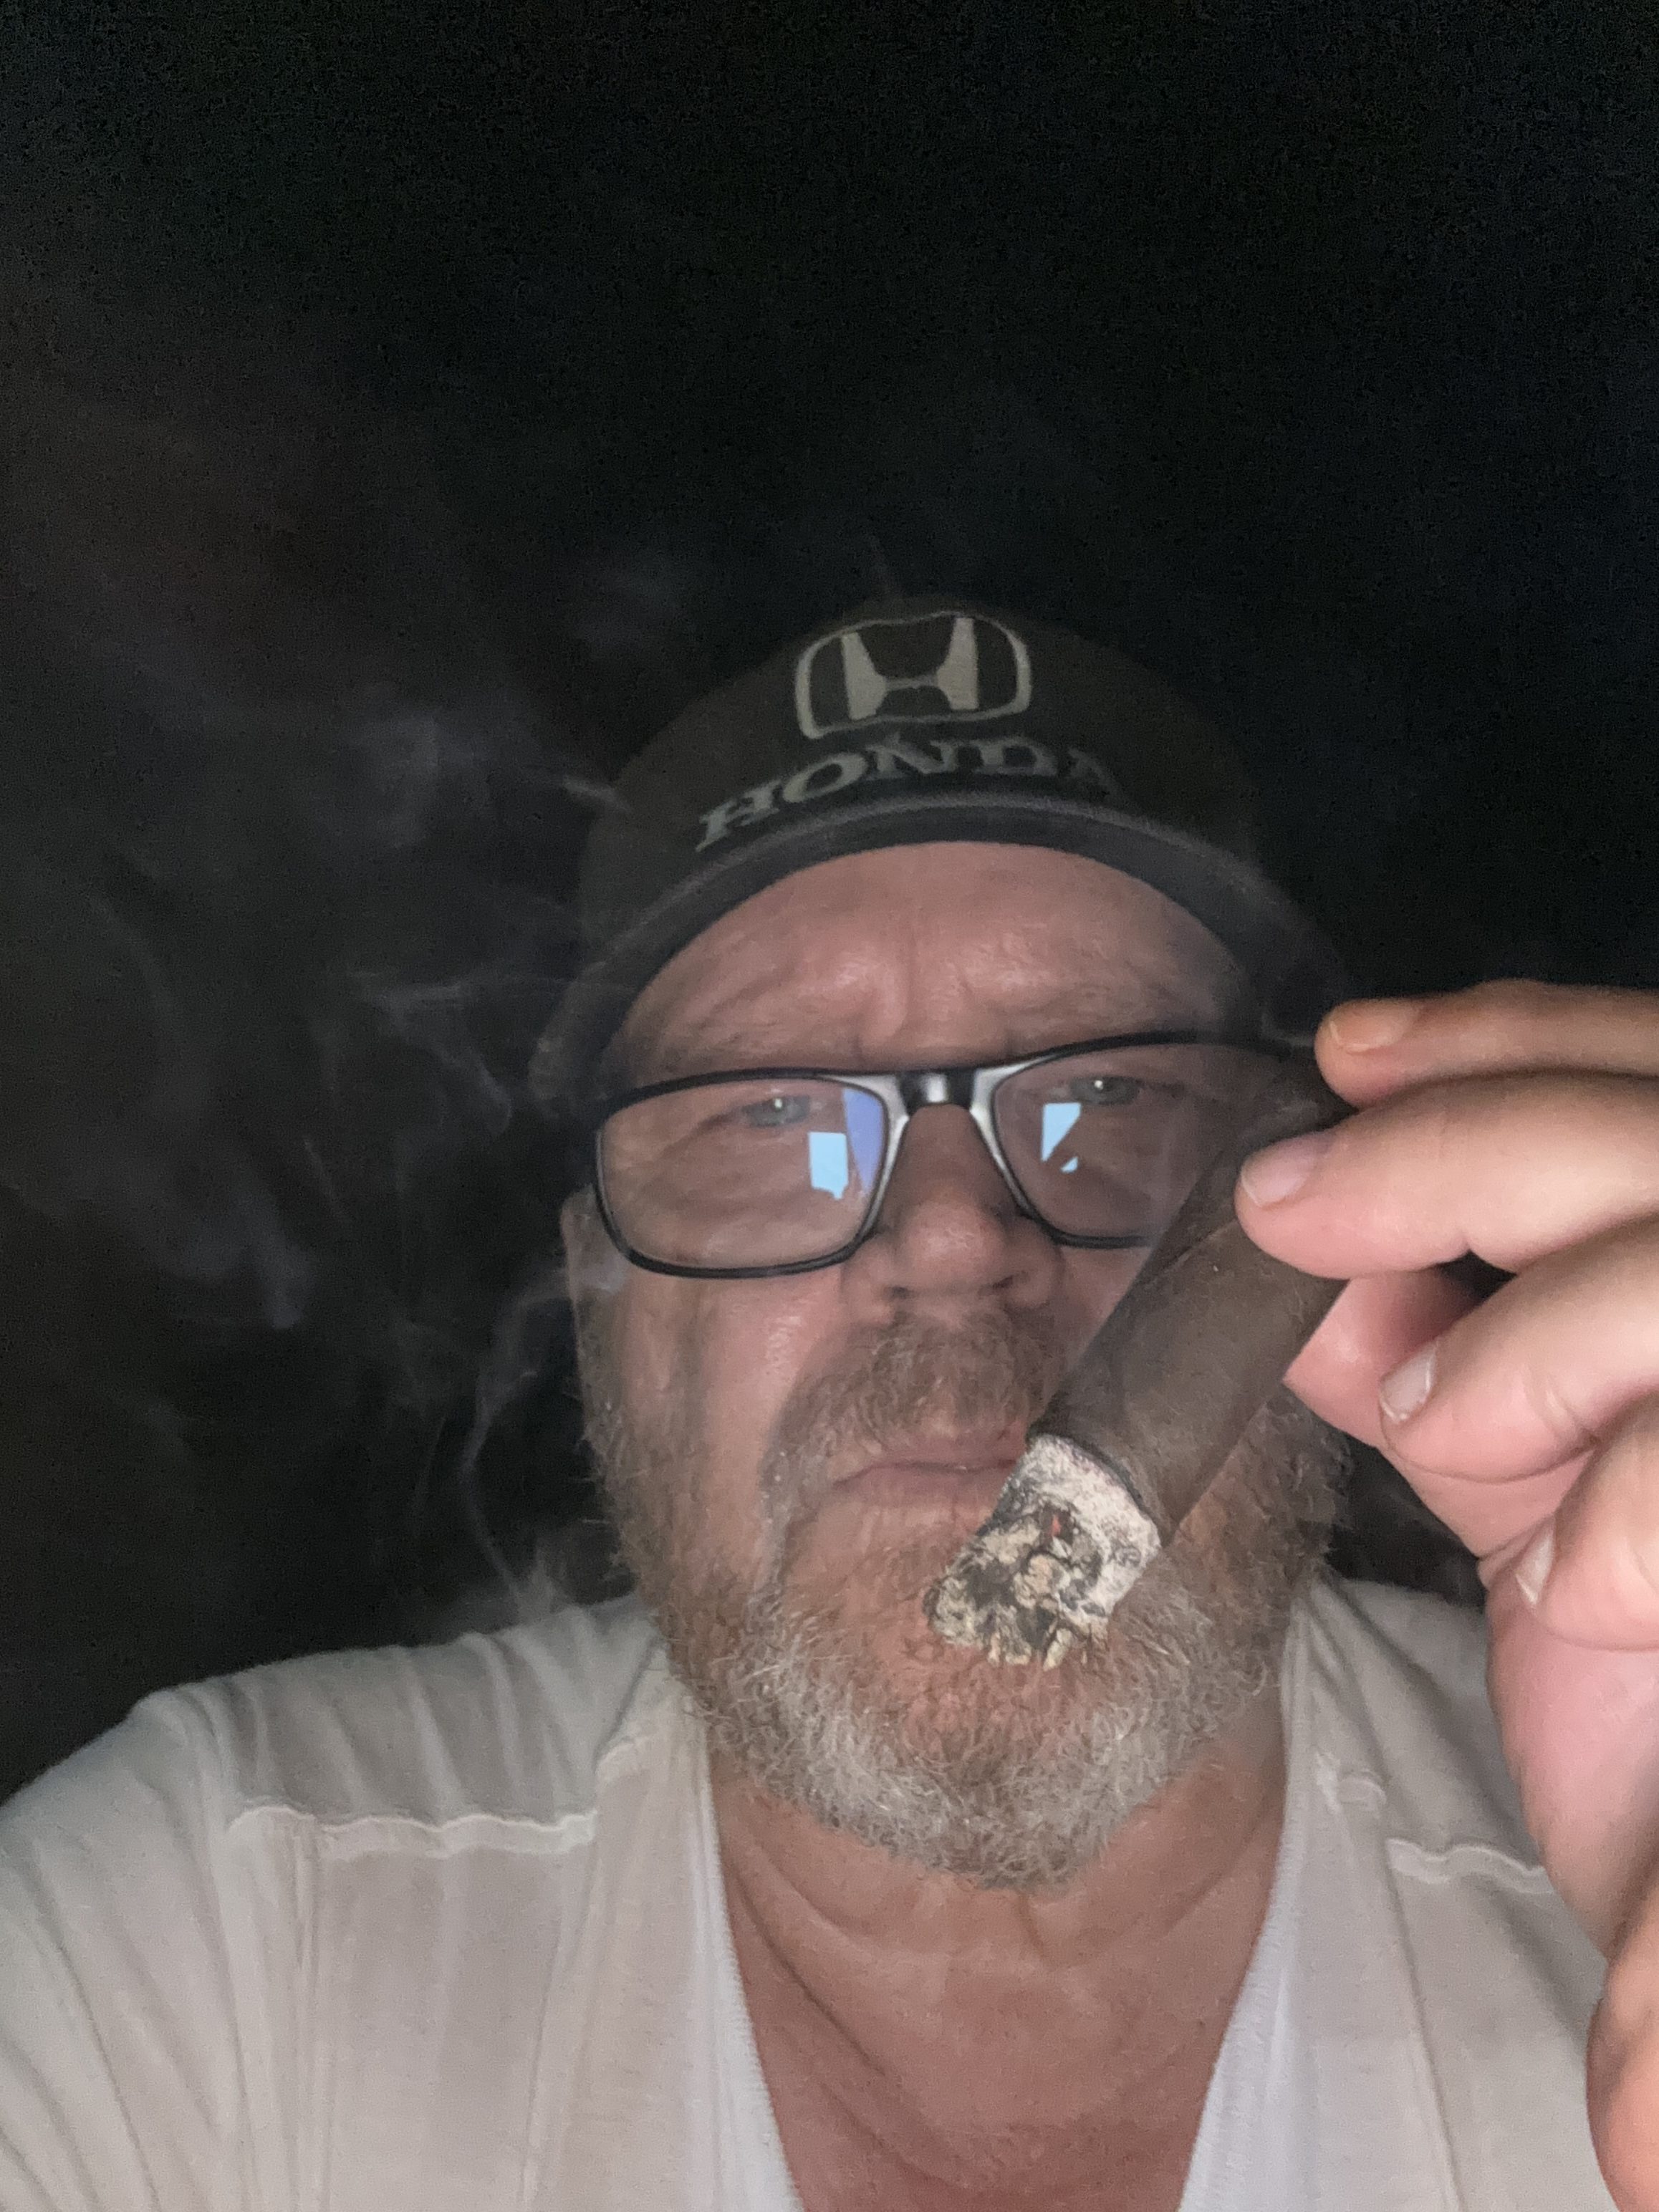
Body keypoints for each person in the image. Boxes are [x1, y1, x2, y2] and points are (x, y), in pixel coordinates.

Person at [3, 598, 1658, 2212]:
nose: (950, 1238)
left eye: (1108, 1096)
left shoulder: (1619, 1852)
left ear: (1322, 1219)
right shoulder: (201, 1945)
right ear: (598, 1286)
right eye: (774, 1120)